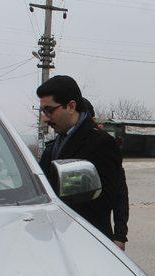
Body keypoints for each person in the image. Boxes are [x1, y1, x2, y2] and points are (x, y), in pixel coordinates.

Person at [37, 75, 123, 241]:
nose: (45, 118)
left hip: (87, 238)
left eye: (49, 110)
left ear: (71, 106)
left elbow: (104, 201)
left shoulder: (101, 144)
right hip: (55, 235)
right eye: (43, 111)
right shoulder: (53, 146)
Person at [82, 97, 129, 250]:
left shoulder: (104, 147)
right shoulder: (56, 148)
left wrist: (120, 235)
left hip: (99, 231)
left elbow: (120, 194)